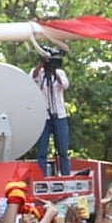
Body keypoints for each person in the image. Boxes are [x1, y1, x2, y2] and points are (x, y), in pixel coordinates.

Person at [32, 48, 71, 176]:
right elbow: (31, 79)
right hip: (43, 117)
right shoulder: (38, 72)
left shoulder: (60, 72)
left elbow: (65, 85)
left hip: (59, 116)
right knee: (42, 152)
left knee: (63, 151)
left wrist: (54, 72)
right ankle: (42, 177)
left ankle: (65, 176)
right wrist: (41, 64)